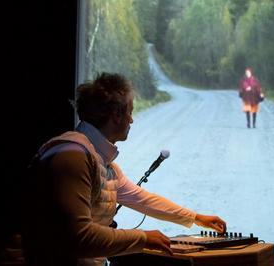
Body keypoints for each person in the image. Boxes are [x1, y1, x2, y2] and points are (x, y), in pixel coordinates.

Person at [21, 72, 226, 266]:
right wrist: (143, 238)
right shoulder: (72, 155)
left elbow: (143, 199)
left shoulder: (101, 162)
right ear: (117, 115)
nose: (132, 119)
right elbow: (79, 236)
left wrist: (196, 218)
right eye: (130, 111)